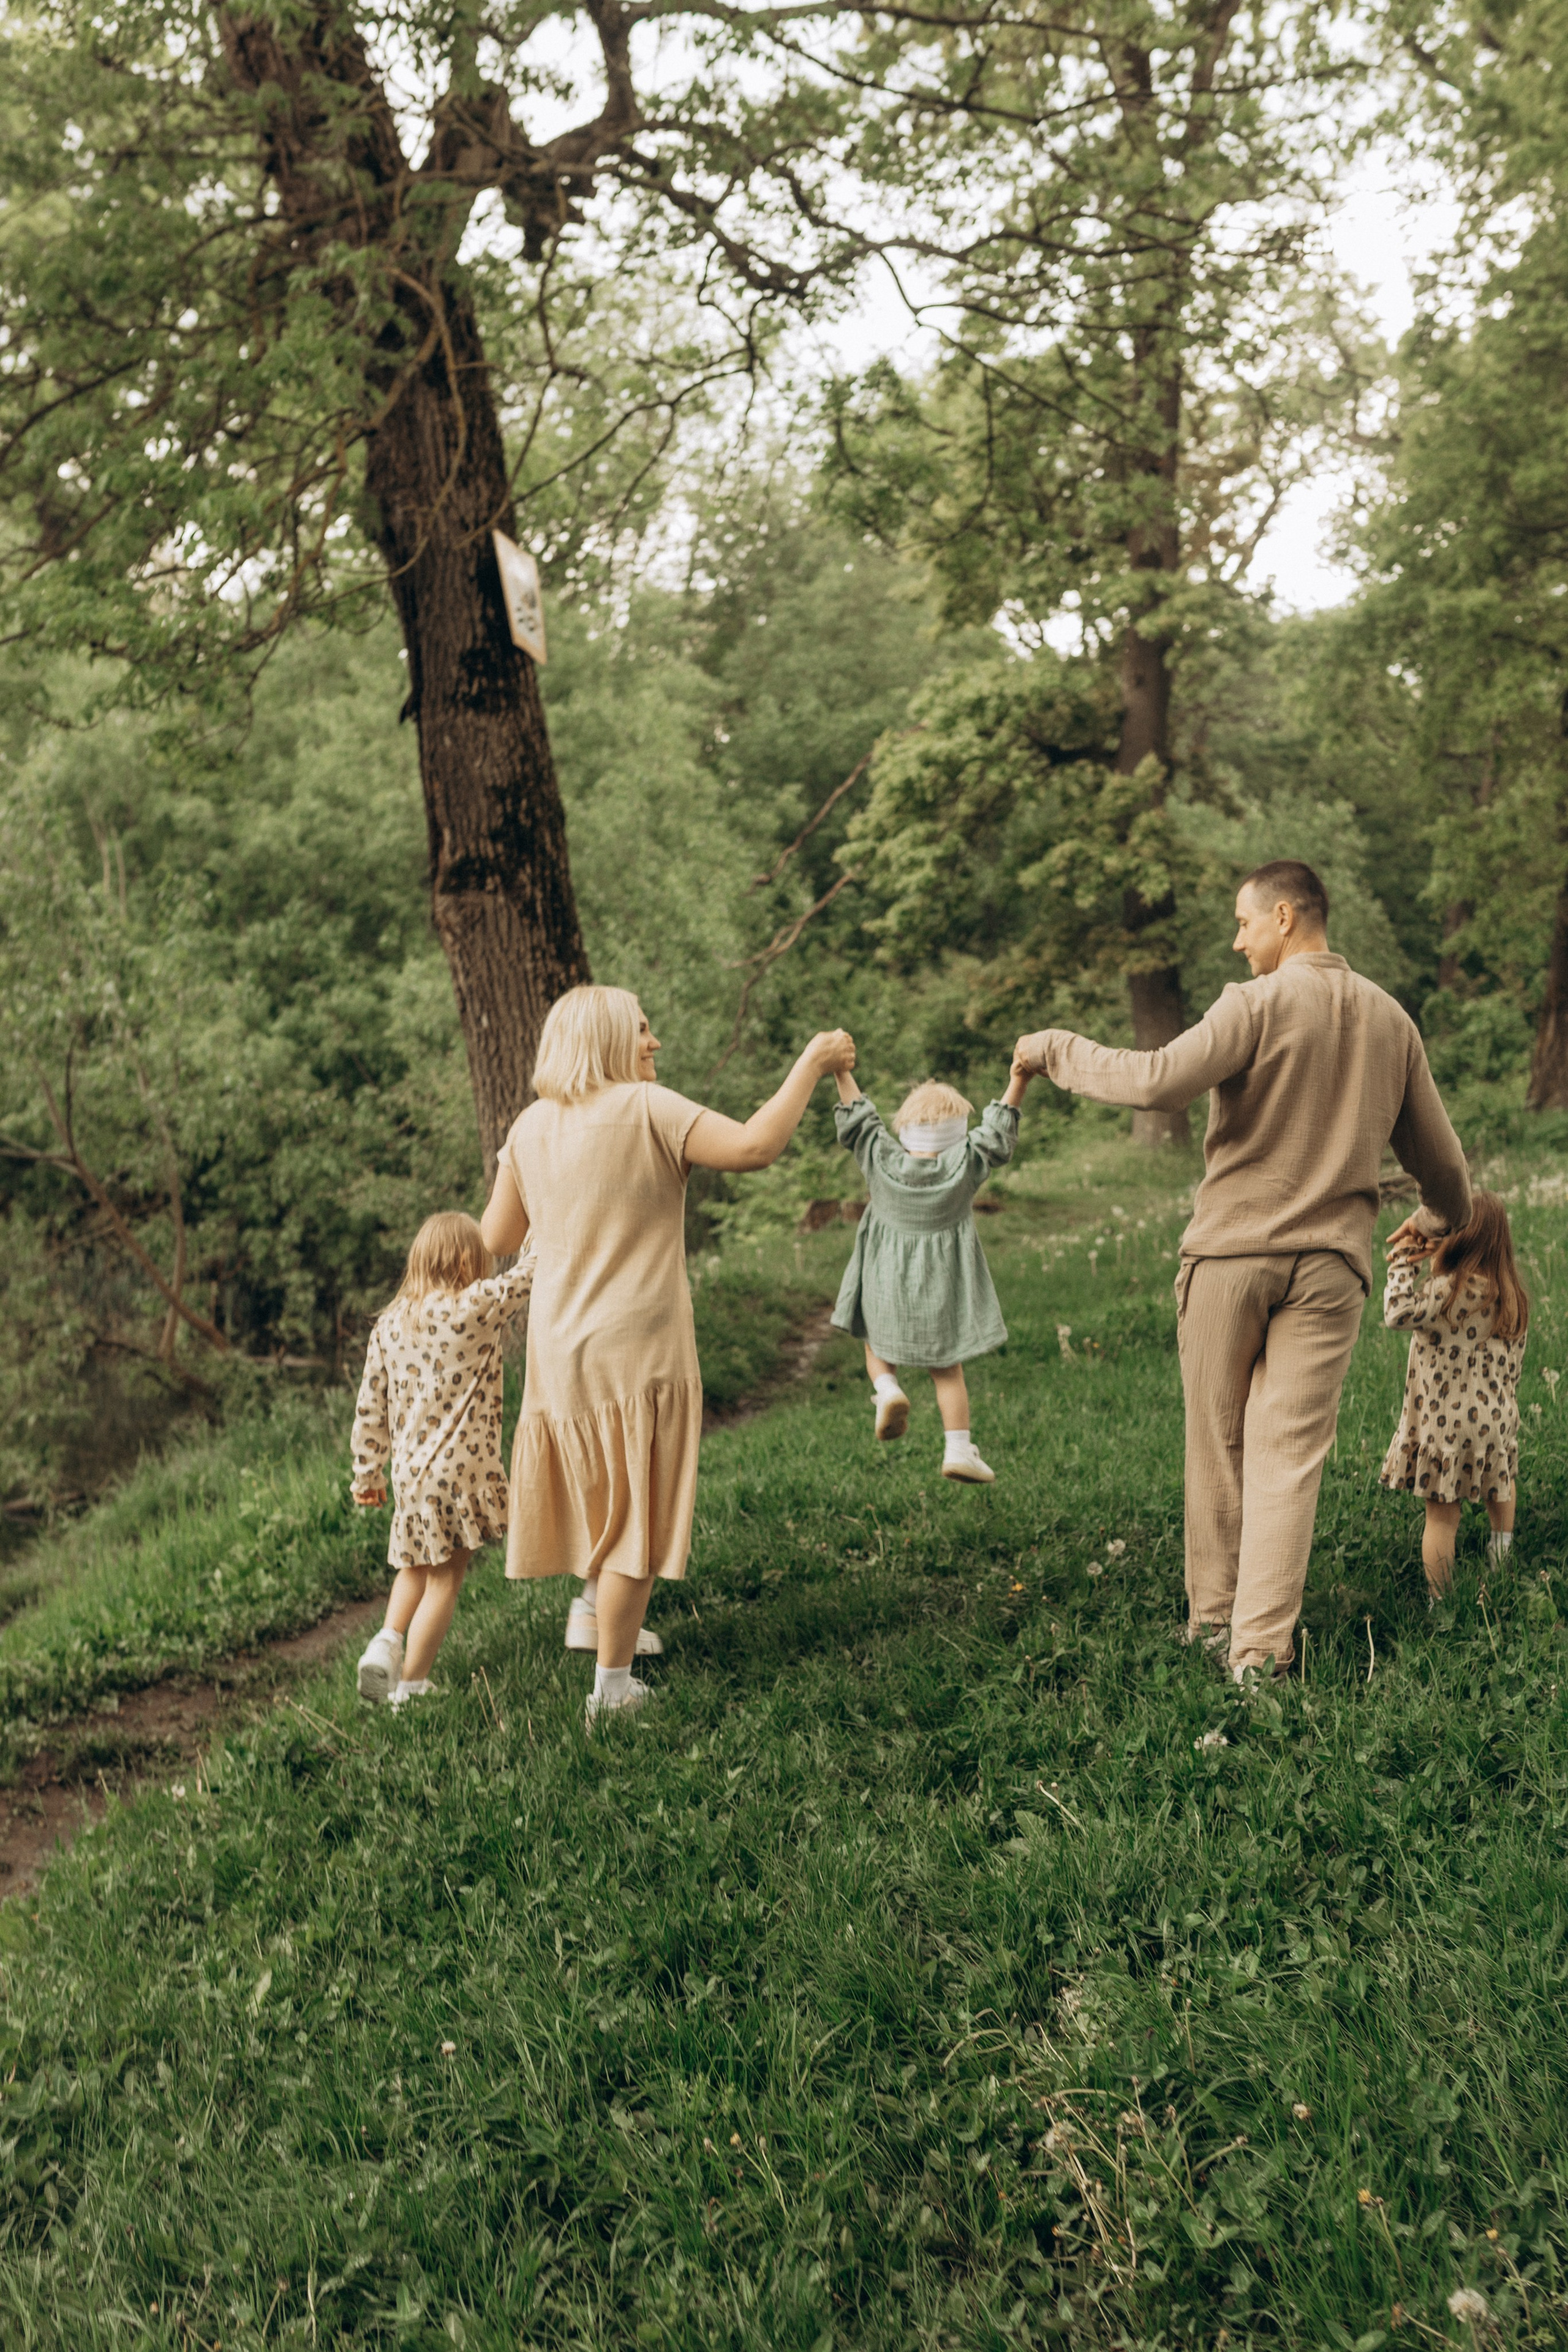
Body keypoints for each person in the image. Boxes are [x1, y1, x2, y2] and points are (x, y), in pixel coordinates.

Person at [1015, 859, 1472, 1682]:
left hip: (1230, 1258)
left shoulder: (1252, 1005)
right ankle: (1259, 1657)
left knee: (1220, 1444)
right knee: (1289, 1455)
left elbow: (1157, 1083)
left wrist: (1055, 1050)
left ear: (1287, 916)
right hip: (1332, 1268)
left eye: (1244, 922)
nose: (1238, 939)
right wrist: (1440, 1218)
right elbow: (1444, 1169)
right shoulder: (1391, 1021)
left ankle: (1215, 1618)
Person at [480, 986, 855, 1726]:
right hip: (636, 1349)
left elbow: (497, 1235)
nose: (655, 1043)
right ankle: (611, 1690)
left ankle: (595, 1614)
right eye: (643, 1030)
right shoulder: (650, 1109)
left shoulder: (529, 1126)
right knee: (634, 1522)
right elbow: (754, 1147)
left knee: (599, 1491)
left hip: (559, 1351)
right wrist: (811, 1063)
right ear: (609, 1040)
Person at [350, 1212, 535, 1707]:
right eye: (482, 1260)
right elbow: (528, 1275)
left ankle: (386, 1641)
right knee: (445, 1579)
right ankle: (411, 1684)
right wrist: (542, 1225)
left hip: (411, 1478)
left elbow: (370, 1406)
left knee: (414, 1566)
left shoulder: (389, 1326)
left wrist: (366, 1473)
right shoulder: (473, 1305)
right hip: (461, 1474)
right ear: (461, 1261)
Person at [829, 1057, 1028, 1482]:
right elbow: (996, 1134)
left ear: (906, 1130)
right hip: (941, 1290)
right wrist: (1018, 1079)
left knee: (875, 1347)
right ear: (957, 1137)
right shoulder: (966, 1166)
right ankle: (958, 1448)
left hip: (885, 1285)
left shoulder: (880, 1159)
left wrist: (839, 1070)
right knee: (948, 1371)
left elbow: (860, 1120)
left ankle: (887, 1390)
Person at [1379, 1189, 1528, 1600]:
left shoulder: (1446, 1291)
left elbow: (1396, 1313)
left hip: (1447, 1426)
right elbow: (1515, 1364)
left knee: (1442, 1520)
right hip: (1497, 1417)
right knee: (1502, 1484)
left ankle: (1442, 1605)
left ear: (1457, 1236)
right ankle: (1501, 1558)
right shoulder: (1511, 1295)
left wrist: (1404, 1260)